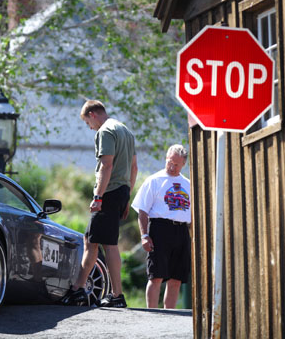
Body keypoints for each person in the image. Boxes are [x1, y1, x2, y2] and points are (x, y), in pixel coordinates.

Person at [61, 100, 137, 308]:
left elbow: (106, 164)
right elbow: (134, 167)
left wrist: (98, 197)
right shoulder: (126, 132)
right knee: (92, 240)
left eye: (88, 123)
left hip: (109, 192)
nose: (90, 127)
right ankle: (81, 288)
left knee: (106, 243)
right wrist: (127, 196)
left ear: (93, 114)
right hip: (121, 191)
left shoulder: (105, 131)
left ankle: (114, 295)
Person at [131, 144, 191, 309]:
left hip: (181, 231)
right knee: (156, 276)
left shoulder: (188, 184)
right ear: (166, 159)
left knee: (176, 278)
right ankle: (151, 312)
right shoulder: (154, 180)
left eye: (176, 164)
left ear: (183, 164)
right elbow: (142, 211)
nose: (172, 166)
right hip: (159, 229)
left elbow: (192, 215)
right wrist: (144, 236)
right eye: (169, 162)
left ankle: (169, 314)